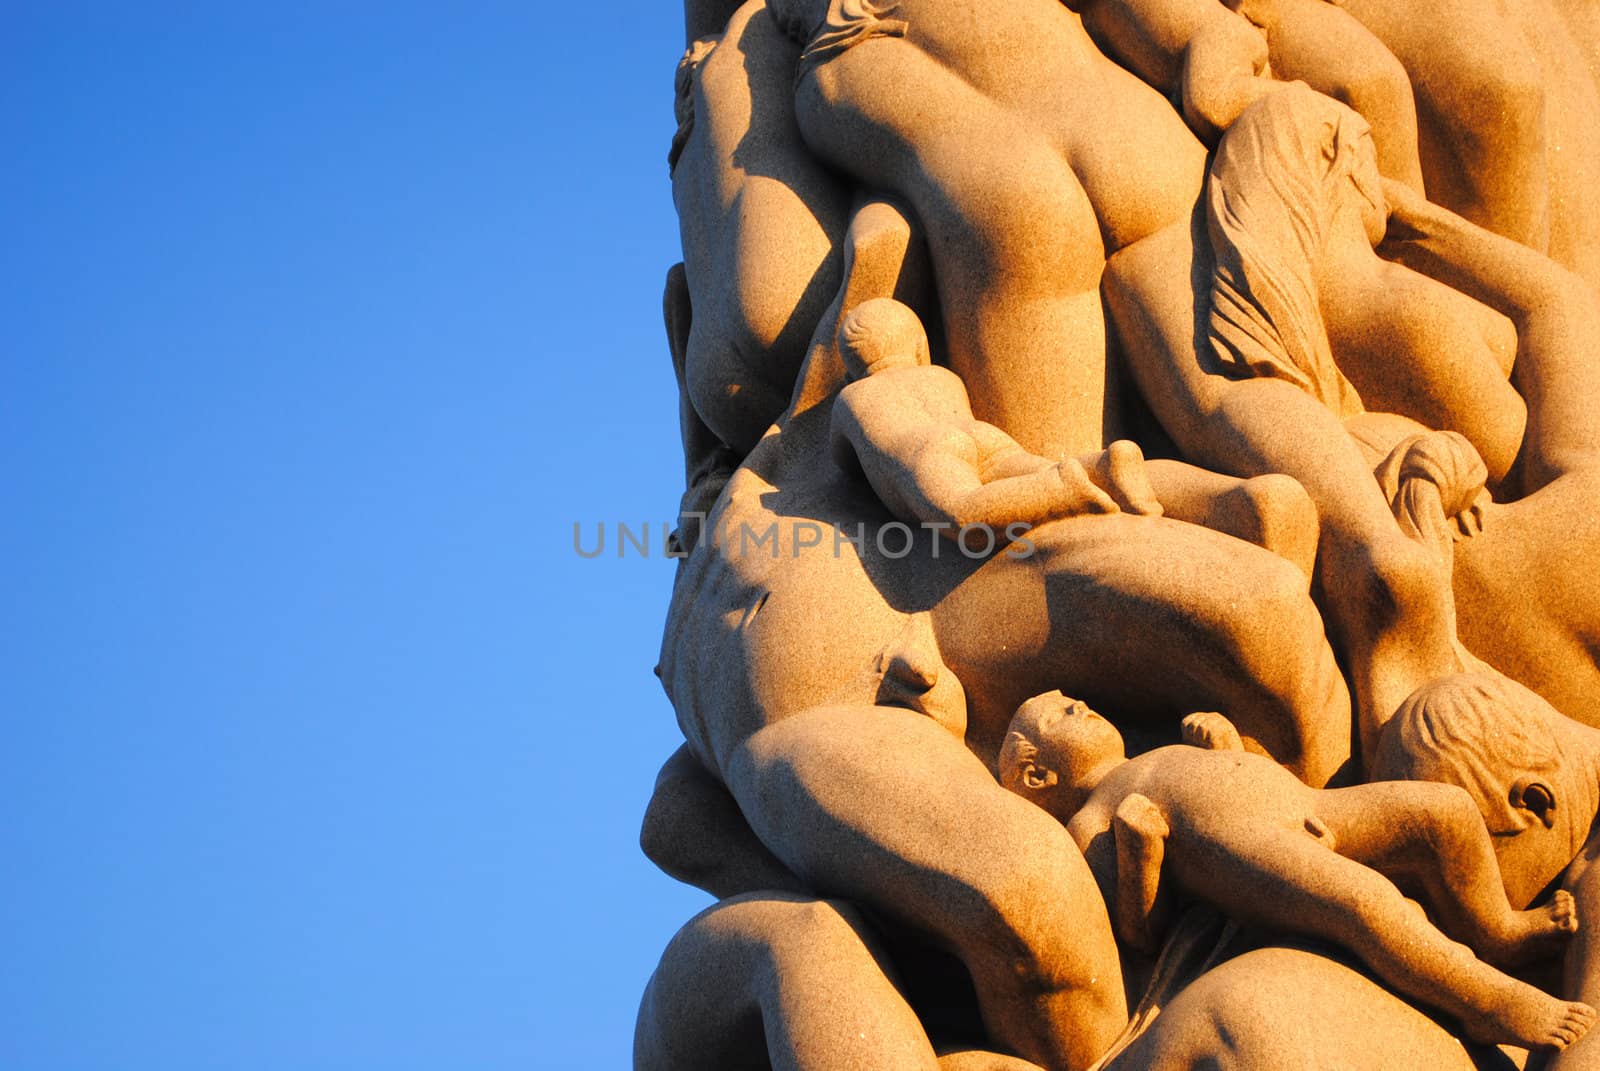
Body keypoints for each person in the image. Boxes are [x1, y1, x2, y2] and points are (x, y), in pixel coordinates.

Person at [657, 196, 1353, 1070]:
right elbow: (672, 819)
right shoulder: (704, 585)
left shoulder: (806, 428)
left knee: (1262, 610)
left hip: (947, 599)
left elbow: (877, 246)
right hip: (831, 717)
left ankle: (1285, 827)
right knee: (1032, 895)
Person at [997, 691, 1593, 1051]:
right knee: (1365, 902)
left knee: (1445, 809)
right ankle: (1488, 1004)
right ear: (1036, 774)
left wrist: (1229, 744)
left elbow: (1251, 775)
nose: (1080, 704)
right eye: (1061, 716)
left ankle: (1499, 930)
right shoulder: (1093, 824)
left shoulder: (1155, 753)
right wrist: (1140, 854)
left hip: (1308, 806)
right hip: (1251, 851)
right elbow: (1139, 937)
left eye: (1070, 699)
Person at [829, 297, 1161, 541]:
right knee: (1020, 467)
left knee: (964, 513)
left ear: (852, 373)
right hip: (981, 436)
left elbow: (843, 460)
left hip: (927, 451)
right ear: (921, 348)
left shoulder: (852, 397)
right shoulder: (943, 376)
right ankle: (1103, 465)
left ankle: (1059, 489)